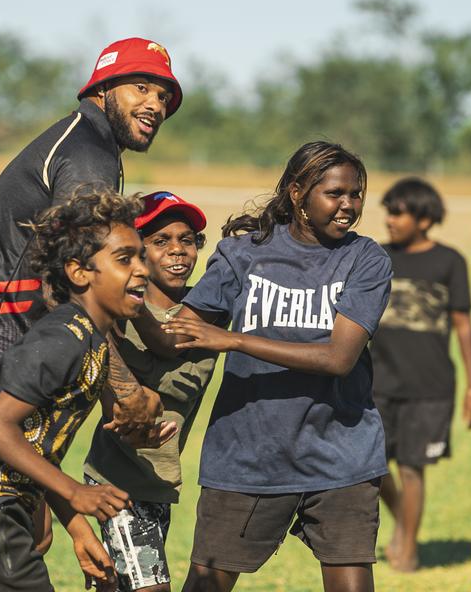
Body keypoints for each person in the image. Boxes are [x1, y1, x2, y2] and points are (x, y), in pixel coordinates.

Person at [0, 38, 182, 449]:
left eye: (163, 96)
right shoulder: (88, 154)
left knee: (19, 498)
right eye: (141, 88)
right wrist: (124, 391)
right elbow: (80, 284)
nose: (156, 105)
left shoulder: (90, 144)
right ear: (103, 87)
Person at [150, 141, 393, 592]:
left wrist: (234, 339)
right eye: (335, 193)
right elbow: (179, 333)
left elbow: (339, 359)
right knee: (206, 584)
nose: (348, 206)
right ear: (298, 192)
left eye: (356, 194)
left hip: (342, 454)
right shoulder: (242, 254)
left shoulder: (366, 259)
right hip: (247, 456)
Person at [0, 189, 166, 592]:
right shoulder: (61, 339)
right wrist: (75, 491)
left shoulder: (91, 342)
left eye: (140, 256)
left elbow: (35, 447)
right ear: (78, 271)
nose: (142, 269)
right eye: (125, 259)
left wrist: (78, 529)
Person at [83, 191, 213, 592]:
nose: (177, 251)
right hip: (116, 478)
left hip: (158, 482)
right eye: (161, 241)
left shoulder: (209, 311)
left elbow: (182, 375)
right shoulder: (115, 313)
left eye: (186, 240)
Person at [372, 176, 471, 572]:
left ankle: (409, 546)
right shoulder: (376, 257)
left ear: (423, 218)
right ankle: (403, 514)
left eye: (398, 213)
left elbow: (464, 327)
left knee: (412, 467)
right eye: (388, 211)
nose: (389, 219)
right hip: (377, 383)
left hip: (430, 386)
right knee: (373, 465)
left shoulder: (449, 262)